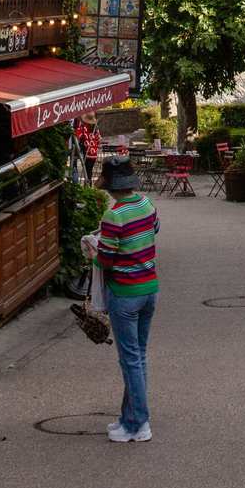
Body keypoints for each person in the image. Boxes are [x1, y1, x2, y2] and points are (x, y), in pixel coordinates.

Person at [96, 156, 159, 443]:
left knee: (130, 360)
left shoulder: (114, 215)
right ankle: (128, 418)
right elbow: (153, 230)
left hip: (124, 292)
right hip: (149, 288)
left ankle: (139, 424)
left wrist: (92, 249)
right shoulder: (146, 204)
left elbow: (107, 259)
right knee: (138, 357)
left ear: (110, 185)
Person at [74, 112, 102, 183]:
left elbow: (77, 136)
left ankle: (87, 185)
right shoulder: (95, 129)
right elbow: (99, 140)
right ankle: (88, 184)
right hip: (94, 154)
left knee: (87, 171)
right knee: (90, 171)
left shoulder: (83, 128)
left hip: (87, 153)